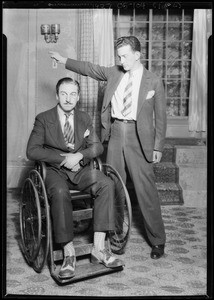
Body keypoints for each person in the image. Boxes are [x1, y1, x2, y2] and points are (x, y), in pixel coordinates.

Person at [49, 35, 167, 259]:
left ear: (137, 55)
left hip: (138, 138)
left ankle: (158, 240)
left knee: (146, 190)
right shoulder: (114, 72)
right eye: (118, 56)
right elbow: (89, 69)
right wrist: (64, 60)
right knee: (113, 186)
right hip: (114, 134)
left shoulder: (153, 81)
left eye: (124, 56)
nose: (121, 60)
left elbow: (161, 118)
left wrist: (158, 146)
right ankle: (114, 235)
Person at [26, 77, 124, 279]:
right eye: (64, 93)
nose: (68, 98)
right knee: (60, 192)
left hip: (80, 169)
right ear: (57, 95)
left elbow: (97, 146)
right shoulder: (43, 118)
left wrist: (80, 155)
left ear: (78, 97)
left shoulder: (84, 118)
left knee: (106, 183)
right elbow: (32, 151)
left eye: (72, 94)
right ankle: (68, 253)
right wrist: (63, 159)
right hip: (55, 171)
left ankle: (99, 248)